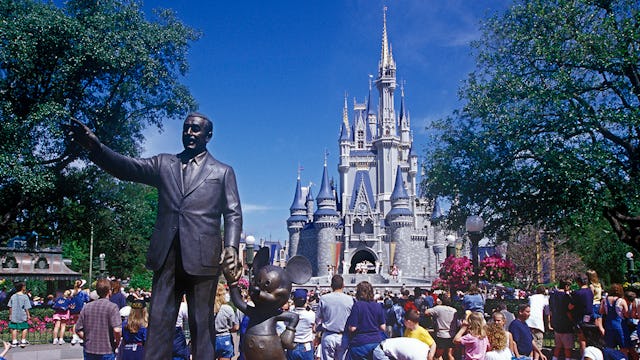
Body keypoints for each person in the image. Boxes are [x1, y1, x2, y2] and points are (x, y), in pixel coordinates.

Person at [70, 112, 243, 359]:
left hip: (204, 259)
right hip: (167, 256)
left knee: (202, 326)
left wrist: (232, 247)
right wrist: (98, 149)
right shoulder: (164, 163)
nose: (190, 133)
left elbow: (233, 213)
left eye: (195, 129)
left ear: (208, 135)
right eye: (186, 128)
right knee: (160, 324)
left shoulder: (223, 172)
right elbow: (128, 168)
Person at [75, 279, 122, 360]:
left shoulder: (87, 307)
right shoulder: (112, 307)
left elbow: (78, 329)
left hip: (89, 349)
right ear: (109, 291)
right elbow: (117, 330)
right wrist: (117, 343)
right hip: (107, 349)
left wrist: (87, 339)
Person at [315, 275, 354, 360]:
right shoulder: (350, 299)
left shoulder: (324, 298)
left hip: (328, 335)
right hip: (343, 336)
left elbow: (318, 318)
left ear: (331, 285)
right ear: (343, 285)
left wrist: (318, 329)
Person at [345, 281, 385, 360]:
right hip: (376, 342)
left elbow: (353, 328)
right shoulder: (378, 306)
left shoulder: (357, 305)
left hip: (359, 343)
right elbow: (383, 327)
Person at [599, 283, 630, 358]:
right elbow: (626, 314)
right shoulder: (621, 301)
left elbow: (601, 311)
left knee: (609, 348)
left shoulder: (605, 300)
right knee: (623, 348)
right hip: (620, 326)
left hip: (608, 325)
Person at [425, 294, 457, 360]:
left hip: (441, 335)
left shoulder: (438, 308)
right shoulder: (454, 310)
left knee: (438, 356)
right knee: (450, 354)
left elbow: (426, 312)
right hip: (452, 334)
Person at [549, 279, 575, 360]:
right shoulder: (566, 296)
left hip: (556, 323)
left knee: (558, 346)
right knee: (568, 348)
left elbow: (550, 309)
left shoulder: (552, 295)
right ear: (566, 286)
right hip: (566, 324)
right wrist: (573, 321)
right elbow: (569, 310)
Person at [288, 289, 316, 360]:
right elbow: (314, 327)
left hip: (292, 344)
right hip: (306, 345)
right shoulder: (311, 314)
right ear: (305, 301)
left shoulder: (289, 314)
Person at [214, 284, 238, 360]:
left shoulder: (208, 309)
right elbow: (234, 326)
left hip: (211, 338)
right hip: (225, 338)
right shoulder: (228, 309)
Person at [526, 285, 549, 358]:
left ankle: (530, 358)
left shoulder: (531, 298)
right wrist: (548, 324)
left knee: (530, 343)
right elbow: (547, 312)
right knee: (538, 344)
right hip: (538, 323)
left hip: (528, 322)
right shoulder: (545, 298)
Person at [7, 282, 31, 348]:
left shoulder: (13, 296)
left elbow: (10, 306)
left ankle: (14, 341)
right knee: (24, 327)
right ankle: (23, 341)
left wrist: (10, 314)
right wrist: (28, 315)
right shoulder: (25, 296)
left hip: (14, 315)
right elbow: (26, 308)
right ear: (22, 287)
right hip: (22, 315)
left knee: (14, 328)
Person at [587, 270, 605, 336]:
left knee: (595, 325)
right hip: (598, 304)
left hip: (593, 305)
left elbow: (590, 297)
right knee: (600, 326)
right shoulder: (598, 285)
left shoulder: (591, 286)